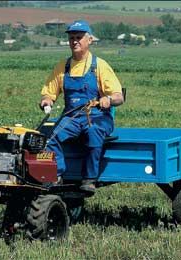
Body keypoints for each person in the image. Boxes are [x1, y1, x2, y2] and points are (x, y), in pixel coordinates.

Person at [40, 20, 124, 193]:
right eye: (72, 38)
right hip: (71, 117)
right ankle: (57, 175)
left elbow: (119, 96)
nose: (75, 41)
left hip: (98, 116)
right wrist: (47, 100)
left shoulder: (100, 66)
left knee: (93, 133)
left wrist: (108, 99)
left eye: (79, 37)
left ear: (89, 40)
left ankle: (89, 179)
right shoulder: (63, 66)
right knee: (50, 137)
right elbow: (49, 92)